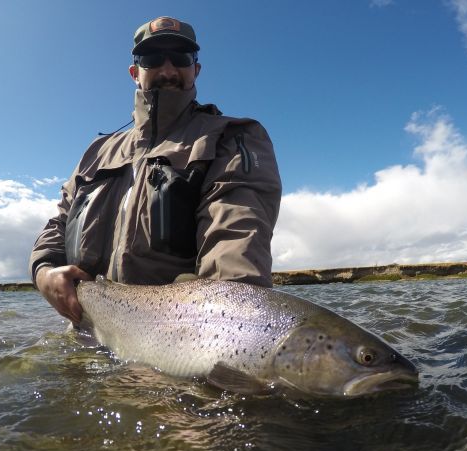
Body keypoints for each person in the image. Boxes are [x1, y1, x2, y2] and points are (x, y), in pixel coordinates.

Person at [29, 16, 282, 324]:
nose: (167, 70)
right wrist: (43, 272)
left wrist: (233, 323)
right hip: (86, 334)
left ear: (196, 69)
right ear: (135, 73)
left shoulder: (233, 138)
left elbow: (236, 232)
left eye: (181, 57)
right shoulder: (96, 152)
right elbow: (59, 223)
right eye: (152, 59)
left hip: (180, 339)